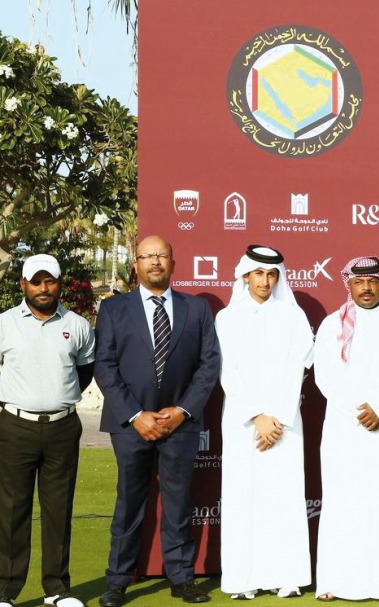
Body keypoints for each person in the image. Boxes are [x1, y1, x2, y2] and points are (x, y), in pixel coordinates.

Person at [95, 235, 221, 606]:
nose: (154, 262)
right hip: (130, 424)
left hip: (179, 424)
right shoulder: (114, 309)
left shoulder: (195, 309)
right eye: (147, 256)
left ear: (173, 263)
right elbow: (105, 365)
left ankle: (181, 578)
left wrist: (182, 410)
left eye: (161, 256)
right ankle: (118, 580)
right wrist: (135, 415)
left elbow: (209, 364)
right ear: (135, 264)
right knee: (129, 502)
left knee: (179, 502)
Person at [313, 256, 379, 602]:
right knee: (345, 504)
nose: (366, 288)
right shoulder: (332, 325)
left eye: (373, 282)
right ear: (348, 284)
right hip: (345, 430)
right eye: (359, 282)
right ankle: (338, 582)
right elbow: (325, 378)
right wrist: (359, 412)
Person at [216, 245, 314, 600]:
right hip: (243, 422)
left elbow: (299, 368)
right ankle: (243, 579)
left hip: (285, 423)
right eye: (259, 273)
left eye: (272, 274)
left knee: (283, 497)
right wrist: (257, 416)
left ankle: (286, 576)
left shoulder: (293, 316)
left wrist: (277, 417)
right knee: (244, 496)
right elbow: (227, 372)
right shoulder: (226, 319)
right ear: (245, 276)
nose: (265, 281)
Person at [0, 255, 95, 607]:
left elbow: (85, 372)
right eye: (36, 281)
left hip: (62, 427)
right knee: (12, 510)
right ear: (23, 284)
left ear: (59, 283)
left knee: (58, 509)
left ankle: (56, 590)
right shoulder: (5, 323)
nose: (44, 288)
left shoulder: (77, 324)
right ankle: (6, 591)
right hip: (14, 426)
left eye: (50, 281)